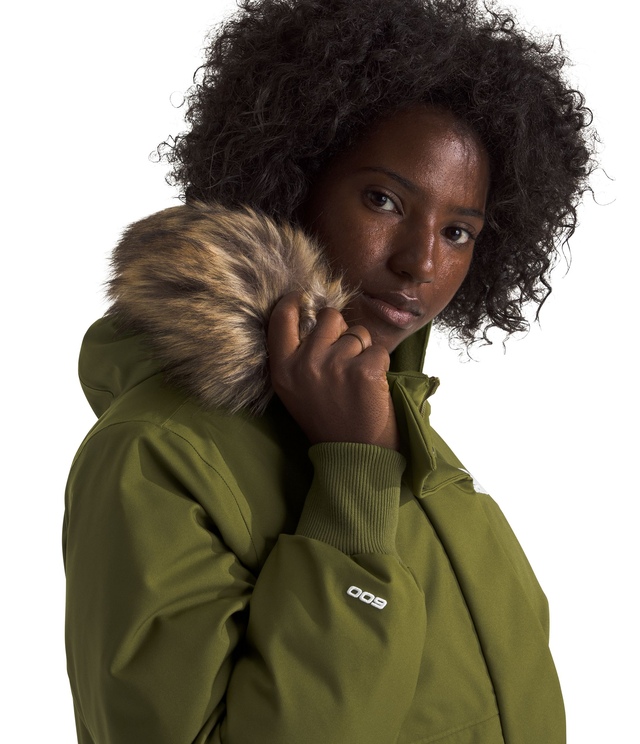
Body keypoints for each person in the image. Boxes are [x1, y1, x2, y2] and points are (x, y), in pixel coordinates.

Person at [63, 0, 595, 742]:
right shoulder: (156, 453)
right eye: (384, 200)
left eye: (458, 231)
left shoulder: (404, 431)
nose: (421, 262)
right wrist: (352, 478)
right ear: (291, 180)